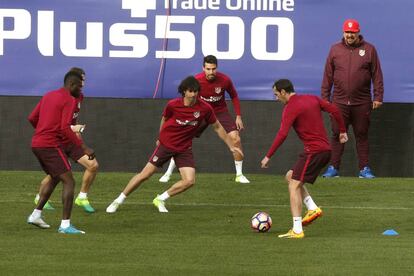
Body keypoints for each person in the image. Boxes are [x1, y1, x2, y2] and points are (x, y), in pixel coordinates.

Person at [106, 76, 239, 214]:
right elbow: (164, 119)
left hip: (184, 148)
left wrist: (230, 145)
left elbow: (217, 127)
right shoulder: (173, 105)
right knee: (144, 175)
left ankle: (160, 199)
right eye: (191, 91)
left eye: (196, 92)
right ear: (184, 92)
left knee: (189, 181)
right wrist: (160, 136)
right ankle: (118, 200)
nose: (194, 95)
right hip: (166, 145)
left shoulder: (205, 108)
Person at [261, 79, 348, 239]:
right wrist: (342, 131)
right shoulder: (312, 98)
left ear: (283, 92)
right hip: (325, 151)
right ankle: (313, 208)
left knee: (294, 186)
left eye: (276, 95)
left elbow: (282, 134)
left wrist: (268, 156)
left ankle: (297, 229)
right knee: (290, 176)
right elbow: (335, 110)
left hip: (313, 152)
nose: (276, 98)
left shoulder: (290, 108)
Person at [159, 55, 250, 184]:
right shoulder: (196, 80)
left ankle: (239, 175)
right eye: (208, 69)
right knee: (182, 140)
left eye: (213, 69)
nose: (211, 72)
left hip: (220, 112)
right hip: (200, 112)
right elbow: (186, 98)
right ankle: (168, 172)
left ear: (216, 68)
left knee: (236, 138)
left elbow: (234, 95)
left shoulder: (225, 80)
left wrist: (238, 116)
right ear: (203, 68)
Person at [27, 71, 95, 234]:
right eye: (79, 87)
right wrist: (84, 148)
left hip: (37, 143)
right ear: (71, 85)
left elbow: (32, 118)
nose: (81, 90)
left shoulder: (48, 95)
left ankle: (36, 215)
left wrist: (43, 130)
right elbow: (65, 128)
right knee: (69, 182)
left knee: (57, 177)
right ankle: (65, 225)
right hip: (50, 145)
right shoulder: (69, 100)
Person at [321, 19, 384, 178]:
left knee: (362, 136)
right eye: (347, 32)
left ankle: (364, 169)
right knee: (337, 135)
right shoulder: (335, 49)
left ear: (358, 33)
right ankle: (333, 168)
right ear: (343, 32)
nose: (350, 35)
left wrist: (378, 96)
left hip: (362, 102)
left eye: (353, 32)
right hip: (339, 102)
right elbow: (328, 76)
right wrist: (325, 99)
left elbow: (377, 74)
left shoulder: (369, 49)